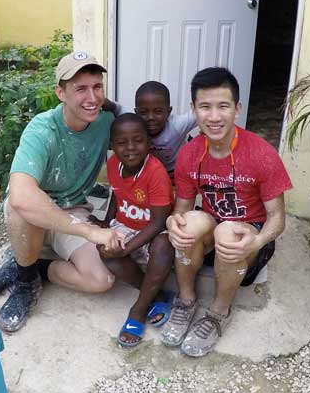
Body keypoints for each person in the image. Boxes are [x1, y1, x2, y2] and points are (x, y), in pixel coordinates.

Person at [0, 51, 126, 333]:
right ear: (60, 92)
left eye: (97, 87)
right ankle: (25, 283)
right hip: (34, 213)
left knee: (102, 280)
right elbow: (22, 196)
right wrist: (90, 232)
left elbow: (133, 119)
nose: (92, 97)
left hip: (71, 210)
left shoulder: (105, 121)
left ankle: (32, 267)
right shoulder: (42, 129)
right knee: (18, 206)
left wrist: (100, 102)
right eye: (80, 89)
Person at [162, 67, 293, 357]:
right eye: (205, 107)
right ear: (193, 109)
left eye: (223, 106)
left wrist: (258, 241)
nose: (214, 116)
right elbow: (182, 208)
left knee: (227, 230)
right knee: (188, 224)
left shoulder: (261, 154)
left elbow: (277, 219)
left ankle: (219, 312)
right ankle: (186, 301)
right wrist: (173, 222)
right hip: (213, 229)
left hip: (247, 240)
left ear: (237, 109)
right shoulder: (189, 153)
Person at [94, 113, 175, 347]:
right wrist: (106, 222)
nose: (130, 148)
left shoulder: (155, 172)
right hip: (126, 224)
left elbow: (159, 221)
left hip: (152, 229)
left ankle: (138, 309)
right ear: (112, 146)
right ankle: (156, 296)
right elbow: (116, 195)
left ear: (149, 143)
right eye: (122, 142)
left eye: (138, 140)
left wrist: (127, 247)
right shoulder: (112, 165)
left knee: (164, 247)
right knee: (105, 251)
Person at [106, 81, 196, 177]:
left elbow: (198, 113)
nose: (150, 118)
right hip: (149, 172)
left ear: (168, 111)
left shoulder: (177, 125)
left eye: (158, 112)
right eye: (144, 112)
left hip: (174, 171)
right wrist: (106, 103)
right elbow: (117, 108)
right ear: (136, 112)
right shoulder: (133, 122)